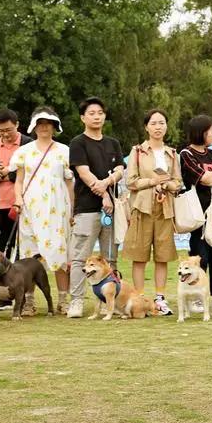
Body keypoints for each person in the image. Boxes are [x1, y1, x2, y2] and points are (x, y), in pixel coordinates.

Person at [9, 108, 74, 315]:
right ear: (34, 126)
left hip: (58, 209)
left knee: (59, 254)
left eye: (49, 123)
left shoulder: (65, 151)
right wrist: (18, 200)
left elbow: (69, 182)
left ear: (55, 126)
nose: (45, 127)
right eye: (41, 123)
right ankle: (28, 301)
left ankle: (63, 299)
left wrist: (72, 209)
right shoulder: (23, 152)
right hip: (31, 208)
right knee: (30, 258)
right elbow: (18, 181)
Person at [66, 97, 126, 318]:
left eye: (100, 112)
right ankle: (76, 301)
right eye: (91, 113)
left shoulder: (113, 143)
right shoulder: (78, 143)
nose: (96, 116)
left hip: (111, 209)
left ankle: (111, 302)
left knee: (109, 257)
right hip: (87, 208)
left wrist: (108, 184)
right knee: (81, 257)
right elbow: (83, 172)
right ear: (83, 117)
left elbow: (120, 169)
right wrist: (102, 193)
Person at [124, 109, 183, 317]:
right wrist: (152, 182)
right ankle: (140, 299)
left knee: (162, 256)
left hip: (165, 208)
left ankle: (160, 298)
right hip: (142, 207)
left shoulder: (172, 153)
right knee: (139, 256)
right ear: (146, 127)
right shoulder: (138, 151)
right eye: (154, 123)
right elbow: (130, 181)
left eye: (162, 123)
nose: (158, 127)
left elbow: (178, 182)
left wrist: (168, 185)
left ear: (167, 126)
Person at [180, 115, 212, 313]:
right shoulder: (186, 154)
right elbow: (201, 177)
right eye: (211, 131)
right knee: (200, 258)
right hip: (199, 215)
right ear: (202, 132)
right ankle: (196, 297)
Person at [0, 108, 32, 256]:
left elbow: (30, 171)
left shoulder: (29, 144)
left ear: (17, 125)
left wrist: (6, 174)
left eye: (8, 130)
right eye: (1, 131)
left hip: (21, 204)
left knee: (22, 249)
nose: (5, 134)